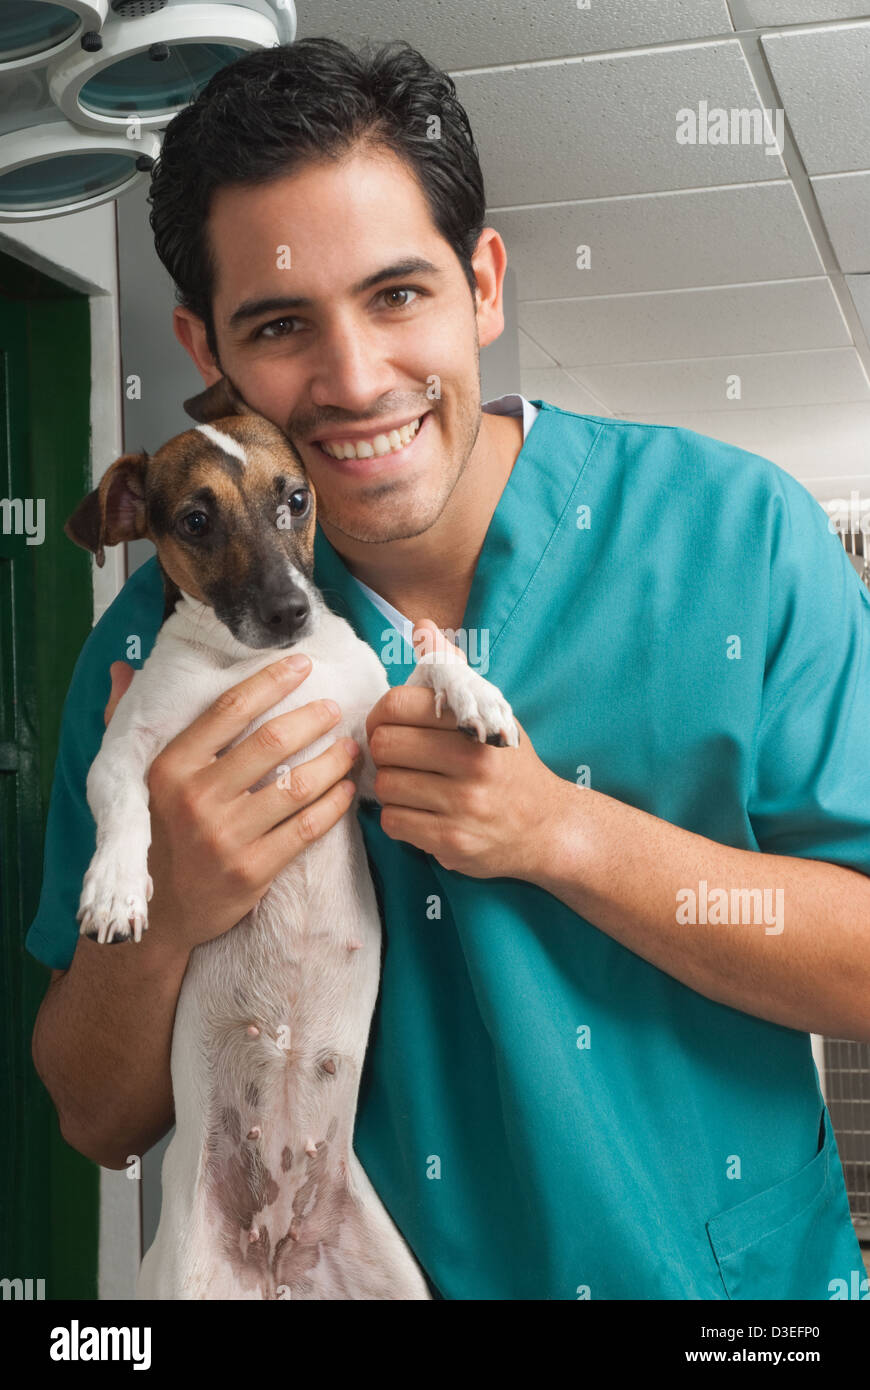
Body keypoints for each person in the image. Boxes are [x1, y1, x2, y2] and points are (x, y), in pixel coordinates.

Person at [28, 37, 870, 1300]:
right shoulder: (160, 636)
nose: (357, 379)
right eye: (279, 324)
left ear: (483, 285)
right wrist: (175, 911)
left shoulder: (737, 536)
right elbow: (94, 1118)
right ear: (206, 355)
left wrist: (561, 833)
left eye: (399, 294)